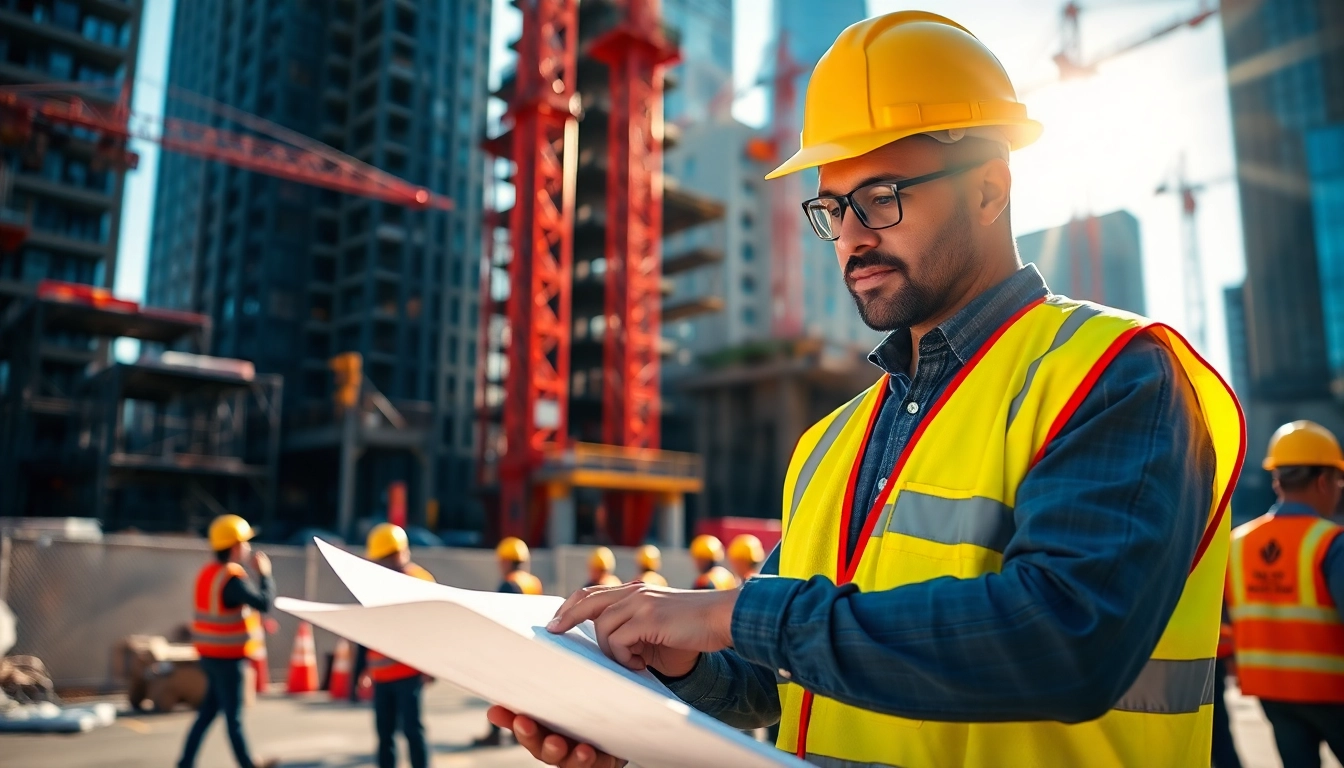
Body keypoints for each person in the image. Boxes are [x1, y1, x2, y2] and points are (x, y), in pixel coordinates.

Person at [487, 11, 1244, 768]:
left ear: (988, 191)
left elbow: (1065, 641)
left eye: (880, 196)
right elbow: (773, 680)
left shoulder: (1115, 375)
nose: (851, 235)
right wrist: (644, 683)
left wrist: (733, 613)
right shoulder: (831, 443)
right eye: (831, 207)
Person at [1226, 421, 1344, 768]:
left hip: (1271, 690)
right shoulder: (1330, 542)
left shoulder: (1238, 542)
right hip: (1333, 692)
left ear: (1277, 480)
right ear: (1324, 481)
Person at [178, 515, 277, 768]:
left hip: (209, 656)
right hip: (227, 660)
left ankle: (185, 763)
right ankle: (247, 764)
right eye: (245, 542)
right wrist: (265, 574)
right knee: (233, 719)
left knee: (208, 713)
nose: (248, 547)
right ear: (234, 546)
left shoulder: (208, 573)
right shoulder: (232, 578)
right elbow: (264, 602)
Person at [364, 523, 436, 768]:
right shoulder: (375, 583)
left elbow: (434, 627)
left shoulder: (418, 581)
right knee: (385, 736)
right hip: (382, 674)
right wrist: (363, 670)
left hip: (409, 672)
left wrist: (431, 666)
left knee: (412, 732)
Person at [474, 536, 544, 748]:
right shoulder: (533, 582)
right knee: (521, 691)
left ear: (505, 560)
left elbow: (501, 616)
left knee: (498, 689)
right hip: (530, 643)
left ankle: (496, 732)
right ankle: (519, 731)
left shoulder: (509, 583)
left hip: (511, 645)